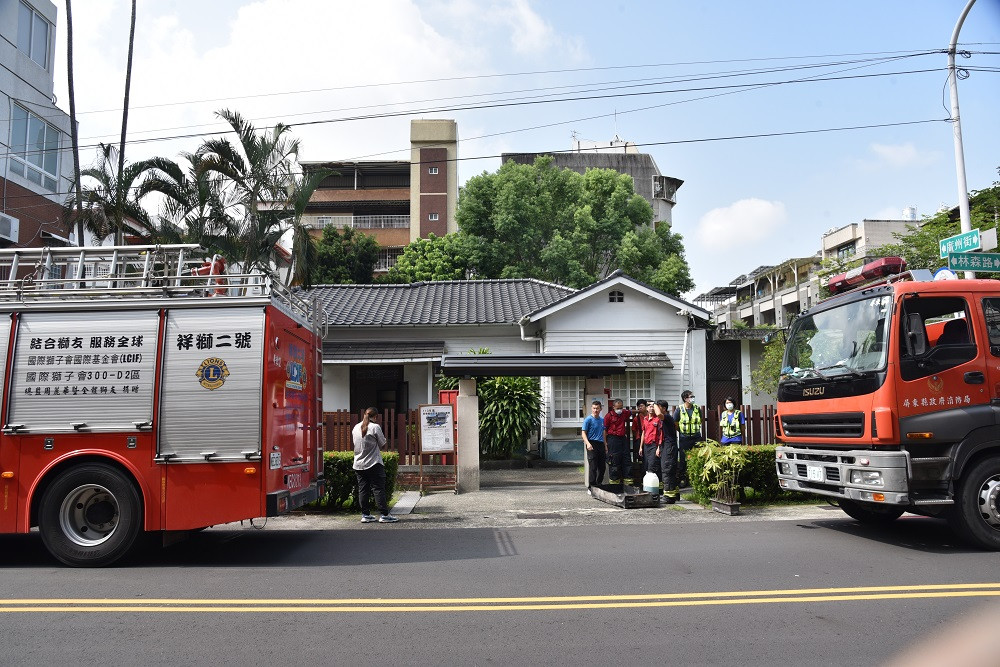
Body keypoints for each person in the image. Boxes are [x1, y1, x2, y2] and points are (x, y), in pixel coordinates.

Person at [352, 408, 398, 523]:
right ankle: (384, 515)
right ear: (376, 416)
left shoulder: (356, 427)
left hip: (358, 464)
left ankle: (365, 515)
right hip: (373, 463)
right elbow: (382, 443)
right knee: (378, 489)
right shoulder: (375, 427)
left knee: (363, 490)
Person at [672, 390, 701, 487]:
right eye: (691, 396)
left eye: (693, 396)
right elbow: (675, 424)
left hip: (696, 436)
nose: (693, 398)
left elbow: (699, 420)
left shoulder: (697, 408)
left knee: (697, 457)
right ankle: (682, 478)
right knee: (683, 458)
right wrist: (682, 432)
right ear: (685, 399)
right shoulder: (679, 409)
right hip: (684, 437)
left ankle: (696, 478)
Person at [654, 400, 680, 503]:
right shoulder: (662, 421)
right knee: (669, 470)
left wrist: (654, 404)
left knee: (667, 469)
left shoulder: (667, 417)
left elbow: (659, 414)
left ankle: (669, 496)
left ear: (664, 408)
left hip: (670, 447)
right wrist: (659, 447)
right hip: (665, 445)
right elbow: (662, 435)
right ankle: (674, 493)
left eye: (657, 406)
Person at [603, 399, 631, 486]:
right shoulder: (608, 416)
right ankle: (614, 484)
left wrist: (642, 410)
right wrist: (605, 444)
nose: (620, 409)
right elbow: (604, 430)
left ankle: (628, 483)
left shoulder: (624, 413)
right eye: (618, 408)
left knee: (626, 459)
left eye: (621, 407)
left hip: (622, 439)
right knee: (614, 461)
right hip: (613, 439)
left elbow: (631, 412)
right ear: (613, 407)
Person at [639, 399, 662, 494]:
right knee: (646, 465)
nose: (651, 408)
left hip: (654, 445)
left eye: (653, 406)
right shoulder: (645, 419)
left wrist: (659, 447)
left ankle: (656, 489)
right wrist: (640, 447)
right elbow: (643, 433)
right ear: (646, 408)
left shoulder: (658, 419)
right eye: (649, 406)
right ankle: (648, 487)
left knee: (652, 466)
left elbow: (661, 434)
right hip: (646, 445)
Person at [582, 400, 606, 490]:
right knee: (593, 466)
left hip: (600, 444)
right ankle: (591, 486)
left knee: (602, 467)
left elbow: (604, 433)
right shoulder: (588, 420)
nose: (595, 410)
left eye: (597, 408)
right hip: (591, 443)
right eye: (594, 408)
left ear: (600, 409)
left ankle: (599, 484)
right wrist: (588, 443)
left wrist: (605, 445)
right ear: (591, 409)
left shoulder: (602, 420)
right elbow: (583, 433)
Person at [631, 399, 648, 464]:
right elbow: (634, 430)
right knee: (641, 458)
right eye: (639, 406)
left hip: (649, 439)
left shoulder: (650, 416)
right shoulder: (636, 418)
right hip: (639, 439)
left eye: (641, 406)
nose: (640, 407)